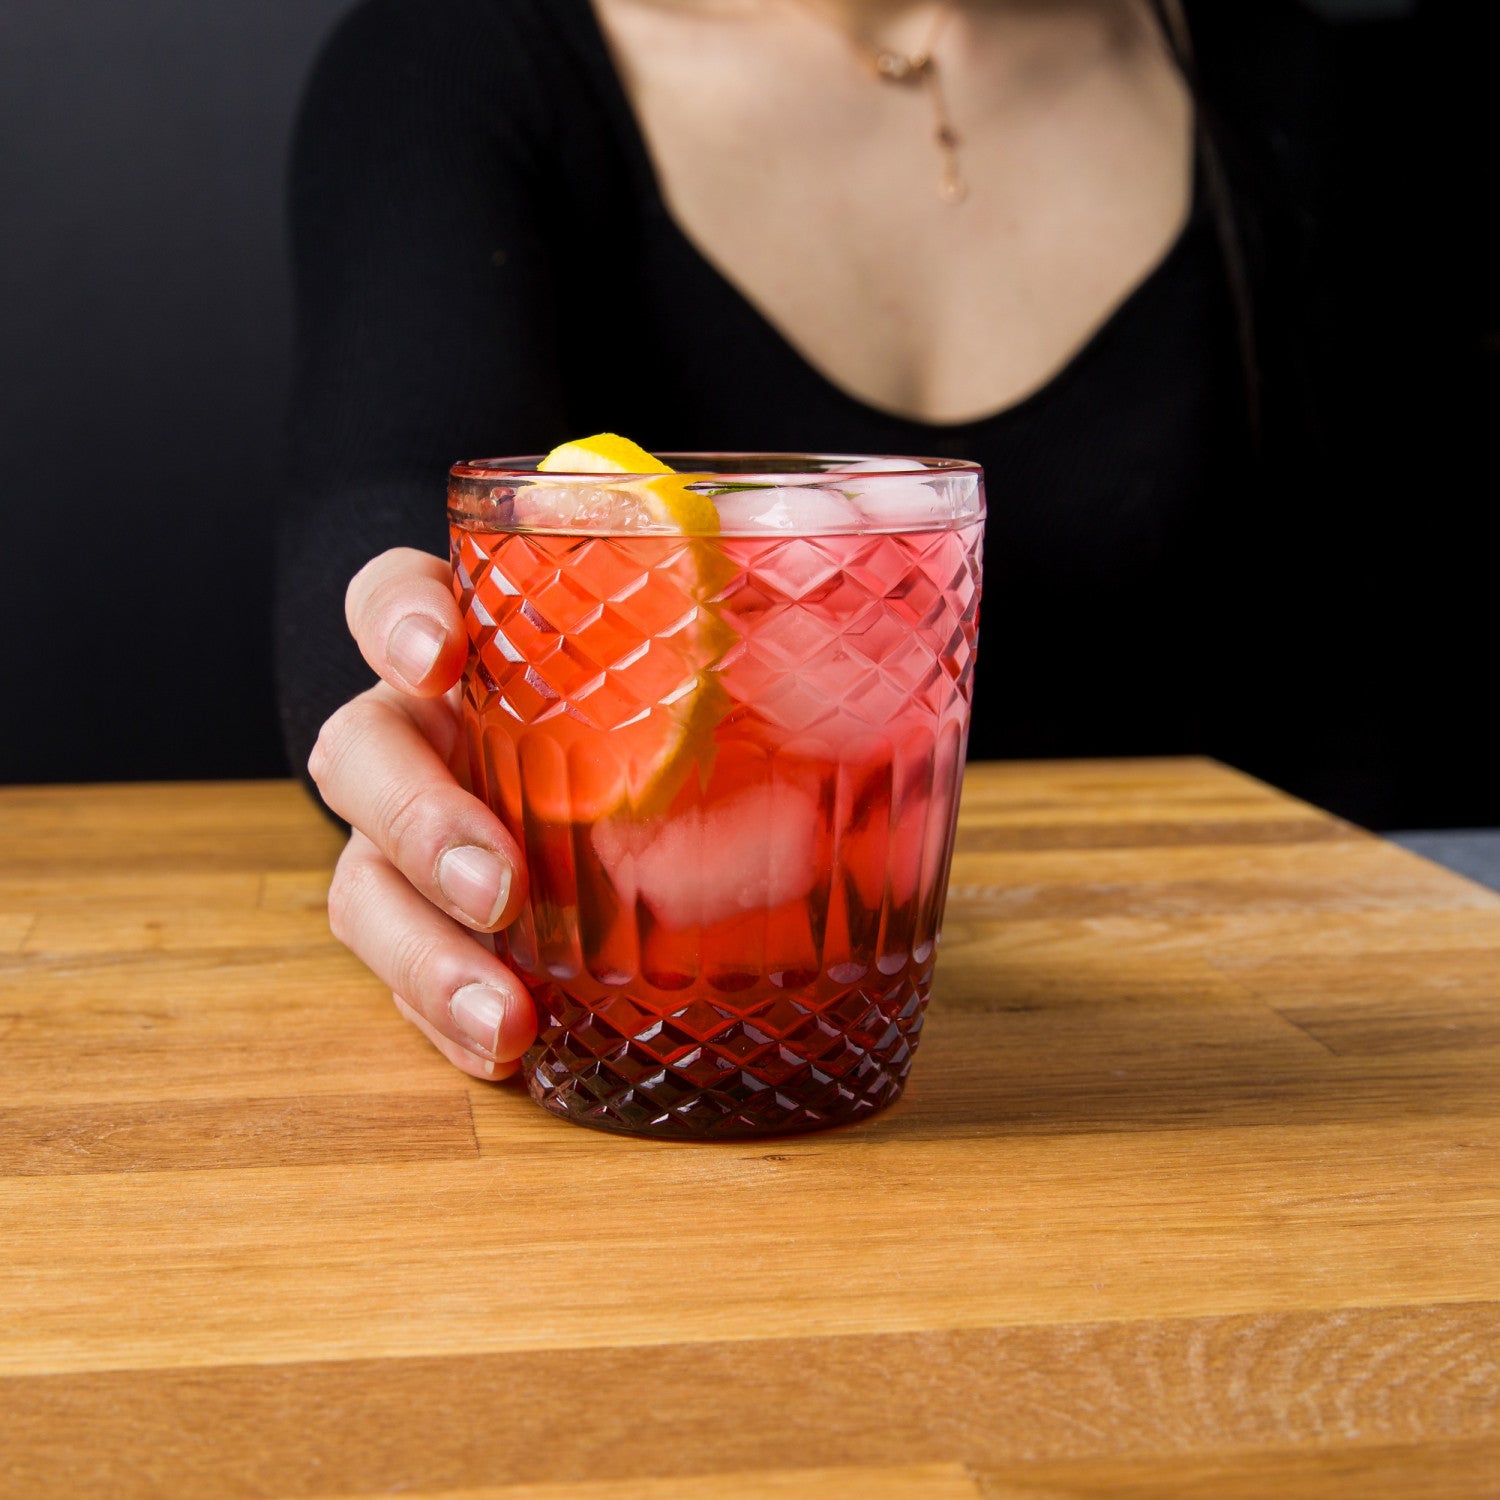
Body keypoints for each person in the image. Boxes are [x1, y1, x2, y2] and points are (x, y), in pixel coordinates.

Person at [277, 0, 1478, 1082]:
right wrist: (412, 733)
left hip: (1217, 1068)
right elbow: (388, 507)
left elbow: (1376, 683)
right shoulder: (454, 57)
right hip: (660, 1034)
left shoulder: (1278, 74)